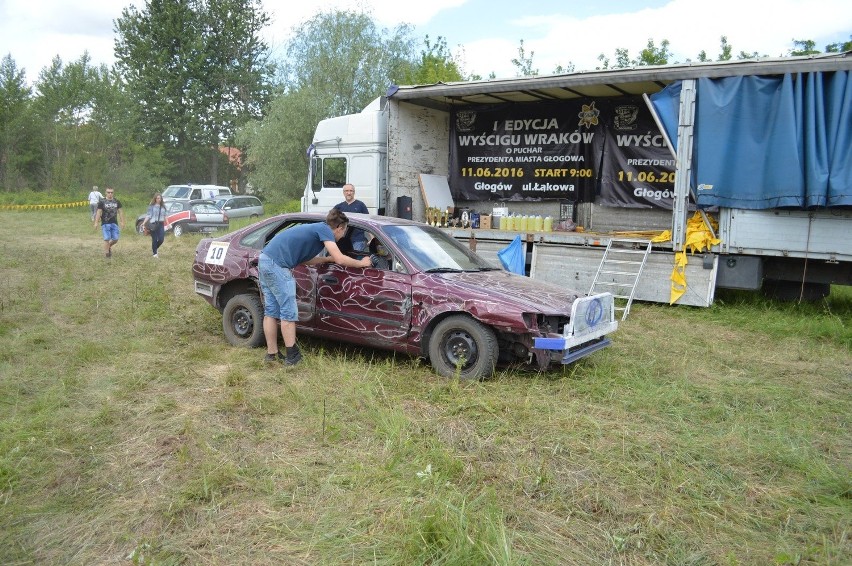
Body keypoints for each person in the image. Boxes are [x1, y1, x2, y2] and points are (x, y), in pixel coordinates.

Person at [259, 209, 371, 366]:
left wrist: (325, 259)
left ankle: (272, 354)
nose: (343, 236)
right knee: (288, 311)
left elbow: (305, 260)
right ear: (339, 227)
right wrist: (361, 263)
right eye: (344, 231)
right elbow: (339, 259)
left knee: (271, 311)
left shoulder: (315, 231)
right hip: (277, 265)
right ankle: (292, 356)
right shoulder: (324, 229)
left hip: (265, 260)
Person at [333, 183, 369, 251]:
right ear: (343, 193)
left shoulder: (361, 205)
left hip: (358, 240)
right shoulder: (338, 207)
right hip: (342, 240)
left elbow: (368, 222)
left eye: (351, 191)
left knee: (354, 259)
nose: (349, 193)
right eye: (346, 191)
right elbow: (331, 222)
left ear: (354, 192)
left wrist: (372, 238)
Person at [93, 187, 125, 258]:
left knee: (115, 239)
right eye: (108, 192)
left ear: (113, 193)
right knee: (107, 238)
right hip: (105, 223)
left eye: (111, 192)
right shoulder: (102, 201)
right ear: (105, 193)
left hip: (114, 222)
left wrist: (122, 221)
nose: (110, 194)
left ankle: (108, 246)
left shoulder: (117, 201)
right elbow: (98, 212)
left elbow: (120, 212)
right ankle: (107, 255)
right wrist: (96, 222)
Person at [143, 193, 168, 258]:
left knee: (161, 239)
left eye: (160, 198)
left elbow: (165, 216)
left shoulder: (163, 206)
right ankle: (155, 254)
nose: (158, 199)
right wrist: (144, 223)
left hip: (161, 224)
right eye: (157, 198)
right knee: (154, 239)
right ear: (155, 199)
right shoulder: (151, 206)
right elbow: (148, 215)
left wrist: (168, 224)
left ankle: (155, 248)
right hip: (153, 224)